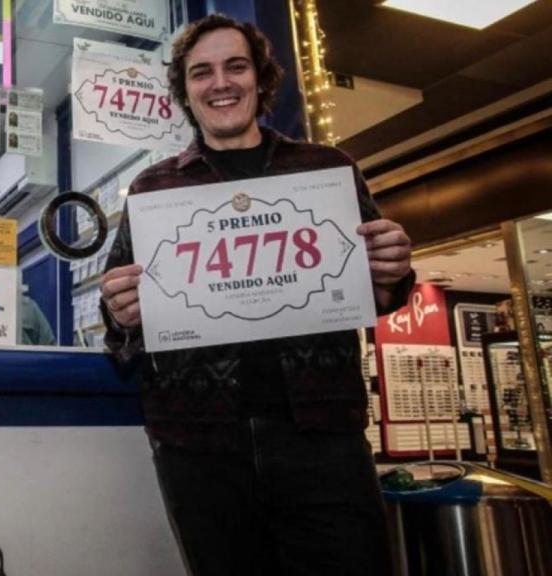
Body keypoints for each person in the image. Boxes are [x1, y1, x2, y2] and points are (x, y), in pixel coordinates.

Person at [98, 14, 413, 576]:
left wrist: (391, 272)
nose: (220, 82)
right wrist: (121, 313)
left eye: (235, 66)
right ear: (186, 91)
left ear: (261, 79)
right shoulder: (154, 190)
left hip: (323, 438)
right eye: (202, 72)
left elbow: (376, 287)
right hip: (199, 446)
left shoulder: (327, 170)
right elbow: (120, 322)